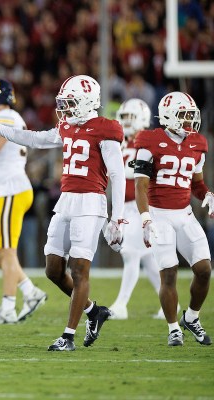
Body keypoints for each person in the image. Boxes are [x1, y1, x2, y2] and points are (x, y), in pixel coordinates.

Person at [0, 75, 126, 351]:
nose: (65, 108)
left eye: (71, 102)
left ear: (87, 102)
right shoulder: (67, 126)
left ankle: (68, 337)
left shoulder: (106, 128)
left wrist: (118, 216)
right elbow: (33, 139)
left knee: (79, 271)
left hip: (90, 203)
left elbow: (117, 173)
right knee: (53, 270)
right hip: (66, 201)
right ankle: (94, 312)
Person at [134, 91, 212, 346]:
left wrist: (207, 194)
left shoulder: (197, 143)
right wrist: (145, 218)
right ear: (168, 116)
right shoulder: (150, 141)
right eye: (183, 115)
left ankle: (191, 316)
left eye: (190, 115)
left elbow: (197, 184)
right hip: (159, 215)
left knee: (204, 270)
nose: (189, 121)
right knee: (169, 274)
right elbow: (140, 187)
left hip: (185, 214)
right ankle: (173, 328)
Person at [0, 78, 47, 324]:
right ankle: (30, 291)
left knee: (6, 250)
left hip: (10, 190)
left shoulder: (6, 117)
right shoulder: (7, 116)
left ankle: (7, 309)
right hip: (0, 191)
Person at [108, 99, 163, 320]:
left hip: (143, 208)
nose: (126, 123)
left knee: (131, 253)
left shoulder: (149, 143)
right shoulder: (120, 143)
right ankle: (171, 302)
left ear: (141, 118)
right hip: (126, 208)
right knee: (149, 260)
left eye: (129, 118)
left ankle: (121, 305)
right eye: (123, 118)